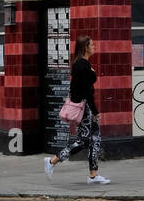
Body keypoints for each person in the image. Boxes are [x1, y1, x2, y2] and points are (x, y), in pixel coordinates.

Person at [44, 36, 110, 183]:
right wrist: (96, 111)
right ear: (85, 47)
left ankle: (93, 175)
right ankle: (52, 160)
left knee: (95, 139)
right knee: (82, 141)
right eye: (92, 45)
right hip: (85, 108)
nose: (95, 47)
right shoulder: (82, 65)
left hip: (86, 107)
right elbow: (87, 91)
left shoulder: (82, 64)